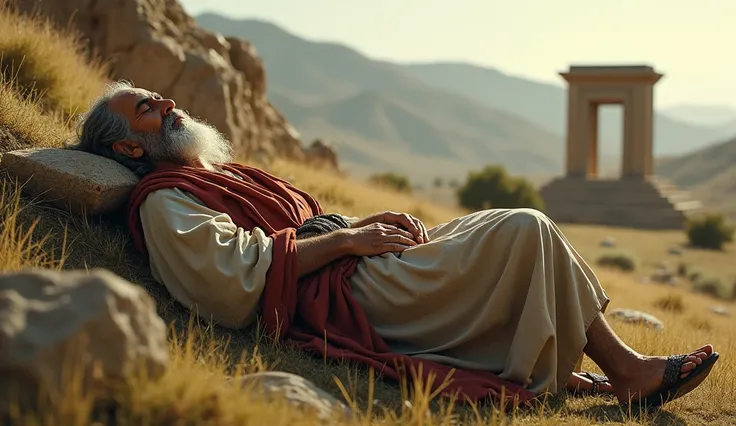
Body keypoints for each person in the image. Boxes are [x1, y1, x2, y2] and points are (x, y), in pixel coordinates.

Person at [69, 81, 718, 409]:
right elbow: (234, 282)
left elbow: (302, 225)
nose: (167, 103)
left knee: (503, 227)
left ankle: (602, 365)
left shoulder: (219, 176)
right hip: (351, 297)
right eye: (147, 109)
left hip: (362, 264)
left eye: (159, 96)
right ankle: (627, 371)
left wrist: (365, 225)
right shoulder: (165, 202)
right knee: (524, 227)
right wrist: (353, 240)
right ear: (129, 148)